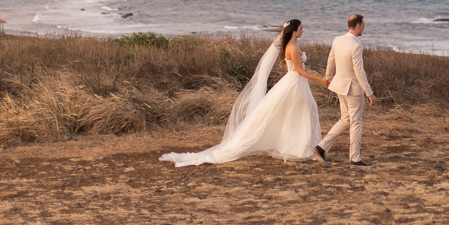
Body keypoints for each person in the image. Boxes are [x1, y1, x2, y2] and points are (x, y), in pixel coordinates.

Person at [159, 19, 329, 167]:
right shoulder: (291, 47)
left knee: (296, 113)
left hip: (293, 82)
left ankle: (296, 148)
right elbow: (298, 70)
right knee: (301, 112)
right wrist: (320, 79)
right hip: (295, 82)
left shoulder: (291, 46)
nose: (303, 30)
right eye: (301, 28)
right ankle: (298, 149)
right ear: (294, 30)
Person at [313, 14, 376, 168]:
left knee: (345, 119)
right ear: (357, 26)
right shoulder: (356, 45)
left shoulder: (337, 40)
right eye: (363, 25)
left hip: (339, 86)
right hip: (353, 90)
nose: (364, 28)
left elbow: (331, 58)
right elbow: (359, 72)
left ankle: (321, 147)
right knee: (355, 123)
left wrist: (328, 77)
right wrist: (369, 93)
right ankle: (355, 159)